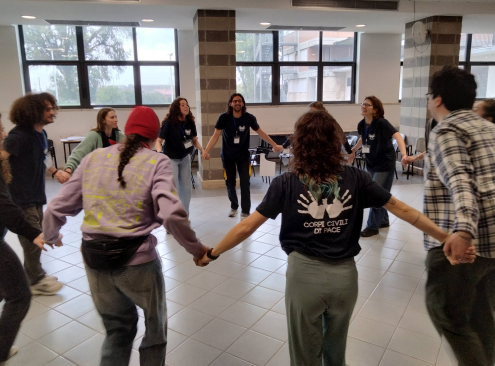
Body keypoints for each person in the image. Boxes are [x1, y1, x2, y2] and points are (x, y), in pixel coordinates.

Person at [195, 110, 475, 366]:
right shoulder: (357, 178)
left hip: (304, 279)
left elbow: (246, 228)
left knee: (304, 356)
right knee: (335, 352)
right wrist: (446, 237)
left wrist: (212, 253)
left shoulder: (286, 183)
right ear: (335, 142)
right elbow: (403, 210)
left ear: (299, 143)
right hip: (345, 280)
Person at [42, 106, 207, 366]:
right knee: (155, 330)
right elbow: (172, 214)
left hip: (94, 259)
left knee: (117, 331)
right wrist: (197, 250)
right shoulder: (157, 161)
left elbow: (56, 207)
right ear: (153, 136)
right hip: (137, 261)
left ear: (125, 131)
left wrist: (51, 235)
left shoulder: (93, 158)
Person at [423, 66, 495, 366]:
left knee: (445, 310)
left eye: (429, 96)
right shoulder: (488, 128)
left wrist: (463, 232)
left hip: (465, 244)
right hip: (493, 245)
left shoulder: (447, 131)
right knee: (480, 314)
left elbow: (460, 181)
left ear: (438, 99)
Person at [0, 113, 52, 364]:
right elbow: (5, 208)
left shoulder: (39, 135)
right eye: (0, 131)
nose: (4, 135)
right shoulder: (18, 137)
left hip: (31, 197)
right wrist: (34, 234)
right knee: (19, 296)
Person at [1, 93, 63, 295]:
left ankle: (34, 274)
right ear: (33, 111)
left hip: (35, 194)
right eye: (47, 109)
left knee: (37, 235)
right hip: (20, 197)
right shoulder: (18, 136)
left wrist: (56, 172)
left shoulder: (41, 134)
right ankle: (35, 280)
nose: (52, 112)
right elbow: (2, 156)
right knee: (33, 238)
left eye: (52, 107)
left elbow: (43, 157)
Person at [202, 93, 284, 220]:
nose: (237, 103)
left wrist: (274, 144)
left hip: (243, 157)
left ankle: (245, 211)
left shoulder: (249, 118)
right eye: (235, 101)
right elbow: (215, 135)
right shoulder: (224, 118)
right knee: (230, 183)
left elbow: (260, 133)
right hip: (227, 156)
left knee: (245, 183)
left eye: (239, 101)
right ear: (230, 103)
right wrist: (206, 151)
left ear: (243, 103)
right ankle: (234, 207)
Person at [350, 96, 410, 237]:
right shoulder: (362, 124)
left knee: (375, 193)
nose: (363, 106)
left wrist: (404, 155)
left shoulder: (382, 123)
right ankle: (383, 221)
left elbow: (397, 136)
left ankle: (372, 226)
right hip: (371, 162)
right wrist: (354, 150)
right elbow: (363, 139)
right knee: (381, 192)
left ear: (375, 110)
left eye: (367, 105)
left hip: (384, 163)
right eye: (363, 104)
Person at [155, 97, 204, 216]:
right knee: (174, 187)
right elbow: (158, 141)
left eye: (187, 104)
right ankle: (173, 216)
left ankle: (184, 215)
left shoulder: (190, 122)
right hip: (171, 158)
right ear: (176, 108)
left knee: (186, 188)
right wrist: (160, 153)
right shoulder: (168, 123)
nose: (186, 106)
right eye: (182, 105)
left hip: (185, 157)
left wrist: (203, 150)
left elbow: (194, 140)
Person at [57, 108, 125, 183]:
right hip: (96, 176)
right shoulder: (94, 135)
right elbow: (79, 153)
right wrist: (68, 171)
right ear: (103, 120)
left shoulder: (120, 135)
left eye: (116, 117)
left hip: (113, 175)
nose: (116, 120)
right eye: (112, 117)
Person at [282, 102, 355, 163]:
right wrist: (284, 146)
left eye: (313, 113)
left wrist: (349, 152)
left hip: (327, 153)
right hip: (311, 153)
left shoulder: (331, 122)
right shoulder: (307, 123)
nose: (311, 116)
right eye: (310, 113)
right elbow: (296, 134)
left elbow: (342, 137)